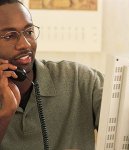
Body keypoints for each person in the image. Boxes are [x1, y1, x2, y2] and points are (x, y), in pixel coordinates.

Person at [0, 0, 103, 150]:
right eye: (9, 36)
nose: (25, 44)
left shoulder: (79, 79)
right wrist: (5, 115)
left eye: (29, 32)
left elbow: (127, 117)